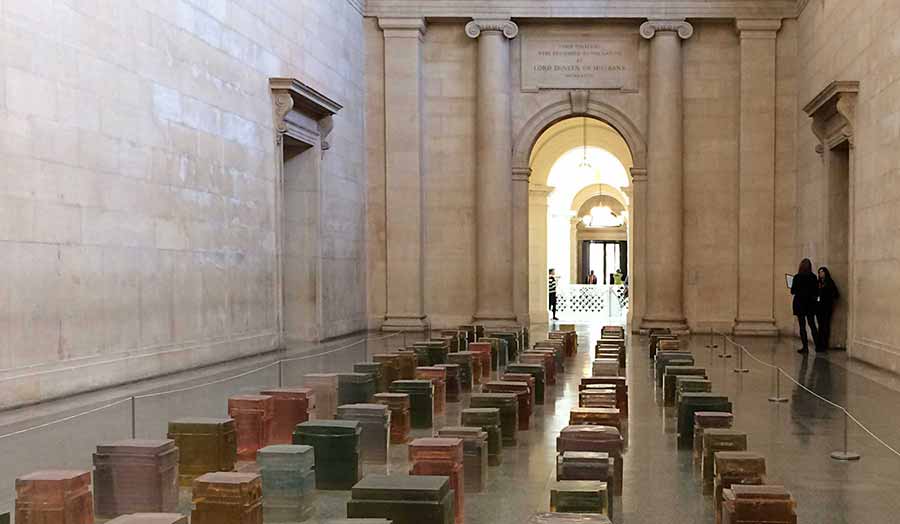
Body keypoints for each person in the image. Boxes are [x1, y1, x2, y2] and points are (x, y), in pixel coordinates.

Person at [791, 258, 820, 354]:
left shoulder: (797, 277)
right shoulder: (813, 277)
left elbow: (793, 291)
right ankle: (818, 346)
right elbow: (816, 291)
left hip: (799, 304)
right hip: (810, 304)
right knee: (812, 325)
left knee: (802, 326)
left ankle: (805, 348)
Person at [816, 266, 839, 352]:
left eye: (822, 272)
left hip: (826, 307)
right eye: (819, 272)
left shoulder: (829, 282)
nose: (820, 274)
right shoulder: (818, 282)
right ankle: (819, 345)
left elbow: (836, 294)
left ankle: (824, 345)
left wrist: (828, 297)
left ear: (826, 273)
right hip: (818, 307)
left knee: (825, 326)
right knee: (820, 326)